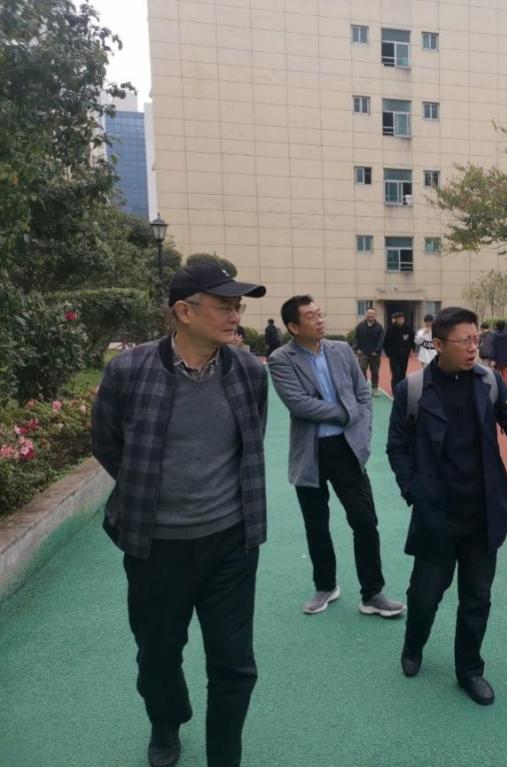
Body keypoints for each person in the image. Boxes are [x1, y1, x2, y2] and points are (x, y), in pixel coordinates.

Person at [91, 262, 268, 767]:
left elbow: (250, 443)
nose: (236, 315)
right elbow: (107, 443)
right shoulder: (128, 371)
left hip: (231, 542)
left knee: (235, 665)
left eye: (238, 306)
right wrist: (149, 491)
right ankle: (166, 721)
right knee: (159, 655)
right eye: (225, 305)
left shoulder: (249, 373)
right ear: (184, 312)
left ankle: (224, 758)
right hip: (156, 546)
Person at [386, 307, 507, 706]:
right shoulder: (412, 390)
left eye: (478, 339)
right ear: (439, 345)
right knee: (425, 594)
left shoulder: (489, 381)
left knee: (477, 597)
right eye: (466, 341)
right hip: (436, 514)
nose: (475, 347)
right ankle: (413, 645)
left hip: (482, 515)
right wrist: (414, 490)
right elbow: (397, 446)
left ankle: (470, 670)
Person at [268, 295, 405, 620]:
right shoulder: (281, 359)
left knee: (365, 521)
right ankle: (325, 585)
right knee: (316, 524)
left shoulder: (341, 350)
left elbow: (362, 395)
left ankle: (372, 593)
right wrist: (346, 413)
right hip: (310, 452)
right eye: (311, 316)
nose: (319, 320)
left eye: (320, 313)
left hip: (346, 448)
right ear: (293, 327)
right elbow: (299, 404)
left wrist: (362, 432)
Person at [353, 307, 385, 395]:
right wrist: (356, 349)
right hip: (363, 353)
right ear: (366, 314)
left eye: (372, 313)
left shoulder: (379, 327)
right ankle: (364, 388)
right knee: (361, 369)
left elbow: (381, 340)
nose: (370, 315)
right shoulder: (360, 326)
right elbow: (356, 338)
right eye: (369, 313)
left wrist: (377, 351)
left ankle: (374, 389)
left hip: (375, 354)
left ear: (375, 315)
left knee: (375, 372)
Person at [383, 311, 416, 388]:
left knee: (402, 374)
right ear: (395, 320)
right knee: (396, 374)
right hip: (394, 356)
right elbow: (385, 344)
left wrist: (412, 350)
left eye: (402, 318)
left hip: (404, 356)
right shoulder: (390, 330)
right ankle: (395, 390)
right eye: (398, 319)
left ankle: (401, 390)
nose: (401, 320)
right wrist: (389, 354)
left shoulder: (408, 329)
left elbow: (412, 340)